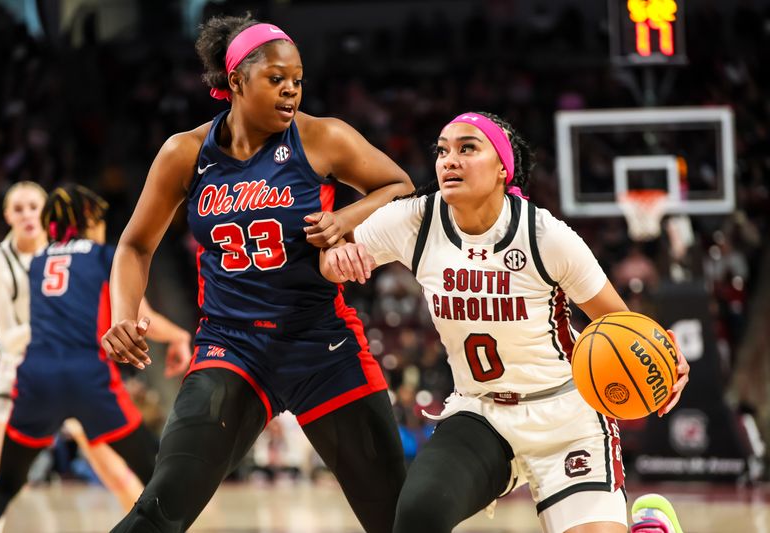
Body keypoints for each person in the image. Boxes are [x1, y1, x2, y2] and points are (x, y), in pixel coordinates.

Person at [102, 13, 412, 533]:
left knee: (398, 519)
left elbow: (399, 186)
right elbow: (134, 245)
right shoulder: (184, 153)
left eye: (297, 80)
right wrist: (122, 313)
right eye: (277, 79)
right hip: (232, 347)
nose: (291, 90)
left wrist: (344, 220)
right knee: (159, 509)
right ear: (236, 81)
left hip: (322, 345)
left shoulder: (323, 137)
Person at [321, 111, 691, 533]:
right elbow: (333, 255)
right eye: (442, 151)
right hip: (481, 413)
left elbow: (618, 322)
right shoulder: (416, 221)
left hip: (566, 419)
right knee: (417, 517)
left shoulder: (545, 235)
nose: (449, 160)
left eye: (467, 149)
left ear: (502, 167)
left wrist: (664, 357)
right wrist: (334, 257)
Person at [0, 185, 192, 533]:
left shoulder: (40, 261)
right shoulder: (106, 256)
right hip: (88, 379)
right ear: (89, 219)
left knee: (2, 487)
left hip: (34, 379)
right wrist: (180, 335)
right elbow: (139, 316)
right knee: (159, 473)